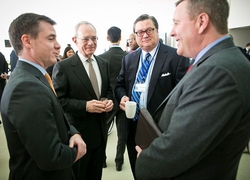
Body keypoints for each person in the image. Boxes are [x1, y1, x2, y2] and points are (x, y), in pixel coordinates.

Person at [135, 0, 250, 179]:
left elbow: (178, 148)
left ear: (201, 22)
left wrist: (145, 161)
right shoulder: (214, 62)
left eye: (176, 23)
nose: (172, 32)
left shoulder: (217, 72)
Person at [0, 13, 86, 180]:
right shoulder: (26, 87)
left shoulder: (35, 77)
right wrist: (79, 150)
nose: (58, 45)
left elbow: (55, 116)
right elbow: (52, 158)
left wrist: (73, 133)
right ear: (27, 41)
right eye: (50, 38)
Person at [114, 14, 189, 179]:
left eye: (149, 30)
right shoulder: (129, 59)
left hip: (161, 130)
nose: (144, 35)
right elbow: (119, 85)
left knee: (161, 173)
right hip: (133, 127)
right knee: (137, 170)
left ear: (157, 31)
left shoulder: (175, 56)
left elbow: (184, 93)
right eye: (139, 32)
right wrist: (123, 97)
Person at [52, 21, 114, 180]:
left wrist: (108, 100)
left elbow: (107, 90)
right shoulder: (63, 67)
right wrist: (85, 106)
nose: (91, 43)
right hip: (78, 136)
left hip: (101, 133)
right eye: (85, 39)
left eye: (94, 38)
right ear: (75, 40)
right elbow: (59, 102)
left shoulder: (103, 63)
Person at [98, 26, 128, 171]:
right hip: (123, 100)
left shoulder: (101, 58)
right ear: (121, 37)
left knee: (103, 132)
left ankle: (102, 160)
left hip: (107, 101)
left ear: (107, 38)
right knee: (122, 134)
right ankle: (118, 162)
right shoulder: (128, 57)